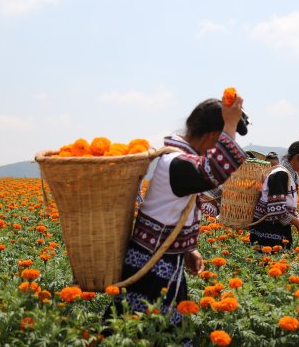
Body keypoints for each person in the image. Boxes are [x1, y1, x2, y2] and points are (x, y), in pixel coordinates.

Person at [102, 95, 249, 337]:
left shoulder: (179, 160)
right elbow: (214, 172)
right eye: (221, 138)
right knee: (141, 333)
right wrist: (230, 123)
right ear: (213, 136)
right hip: (152, 264)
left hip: (163, 258)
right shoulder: (176, 162)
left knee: (149, 331)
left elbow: (173, 209)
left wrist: (187, 248)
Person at [249, 137, 299, 249]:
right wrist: (296, 222)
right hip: (269, 231)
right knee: (269, 263)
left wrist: (298, 217)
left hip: (276, 228)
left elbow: (284, 205)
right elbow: (276, 209)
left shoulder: (289, 174)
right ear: (297, 157)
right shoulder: (281, 174)